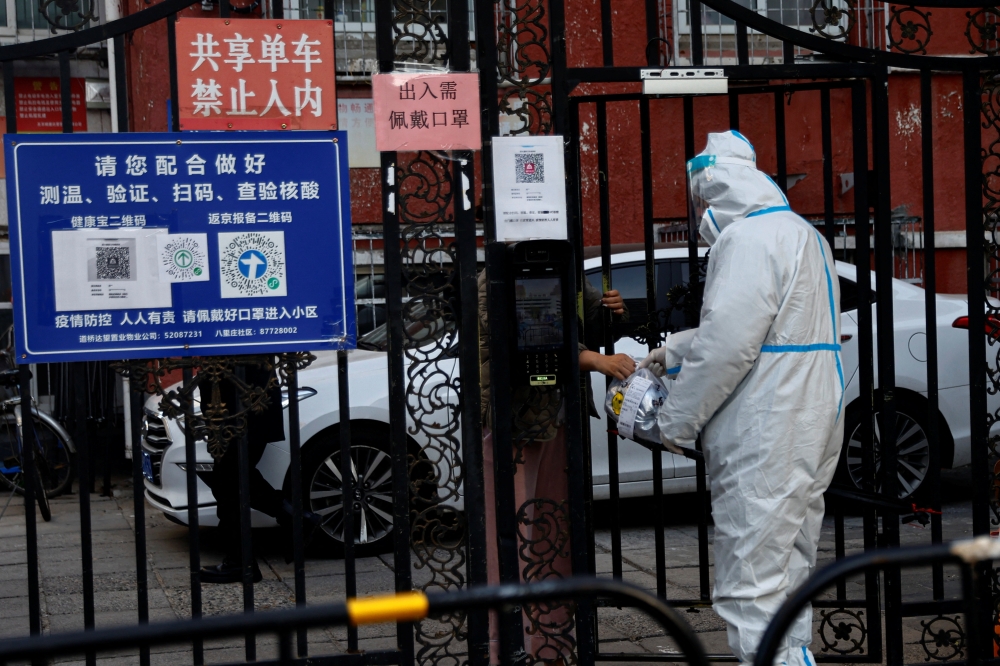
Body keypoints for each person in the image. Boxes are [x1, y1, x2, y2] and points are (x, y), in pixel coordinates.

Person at [641, 130, 845, 666]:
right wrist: (678, 349)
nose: (697, 211)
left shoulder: (747, 239)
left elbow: (730, 343)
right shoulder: (802, 233)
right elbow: (778, 329)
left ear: (714, 186)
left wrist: (674, 422)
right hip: (813, 411)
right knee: (788, 567)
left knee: (750, 580)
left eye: (699, 197)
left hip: (769, 422)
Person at [480, 269, 633, 664]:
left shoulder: (566, 268)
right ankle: (507, 648)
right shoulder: (499, 274)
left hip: (556, 418)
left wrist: (610, 312)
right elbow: (536, 340)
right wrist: (597, 360)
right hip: (514, 421)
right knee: (513, 540)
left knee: (555, 537)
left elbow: (583, 325)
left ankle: (551, 645)